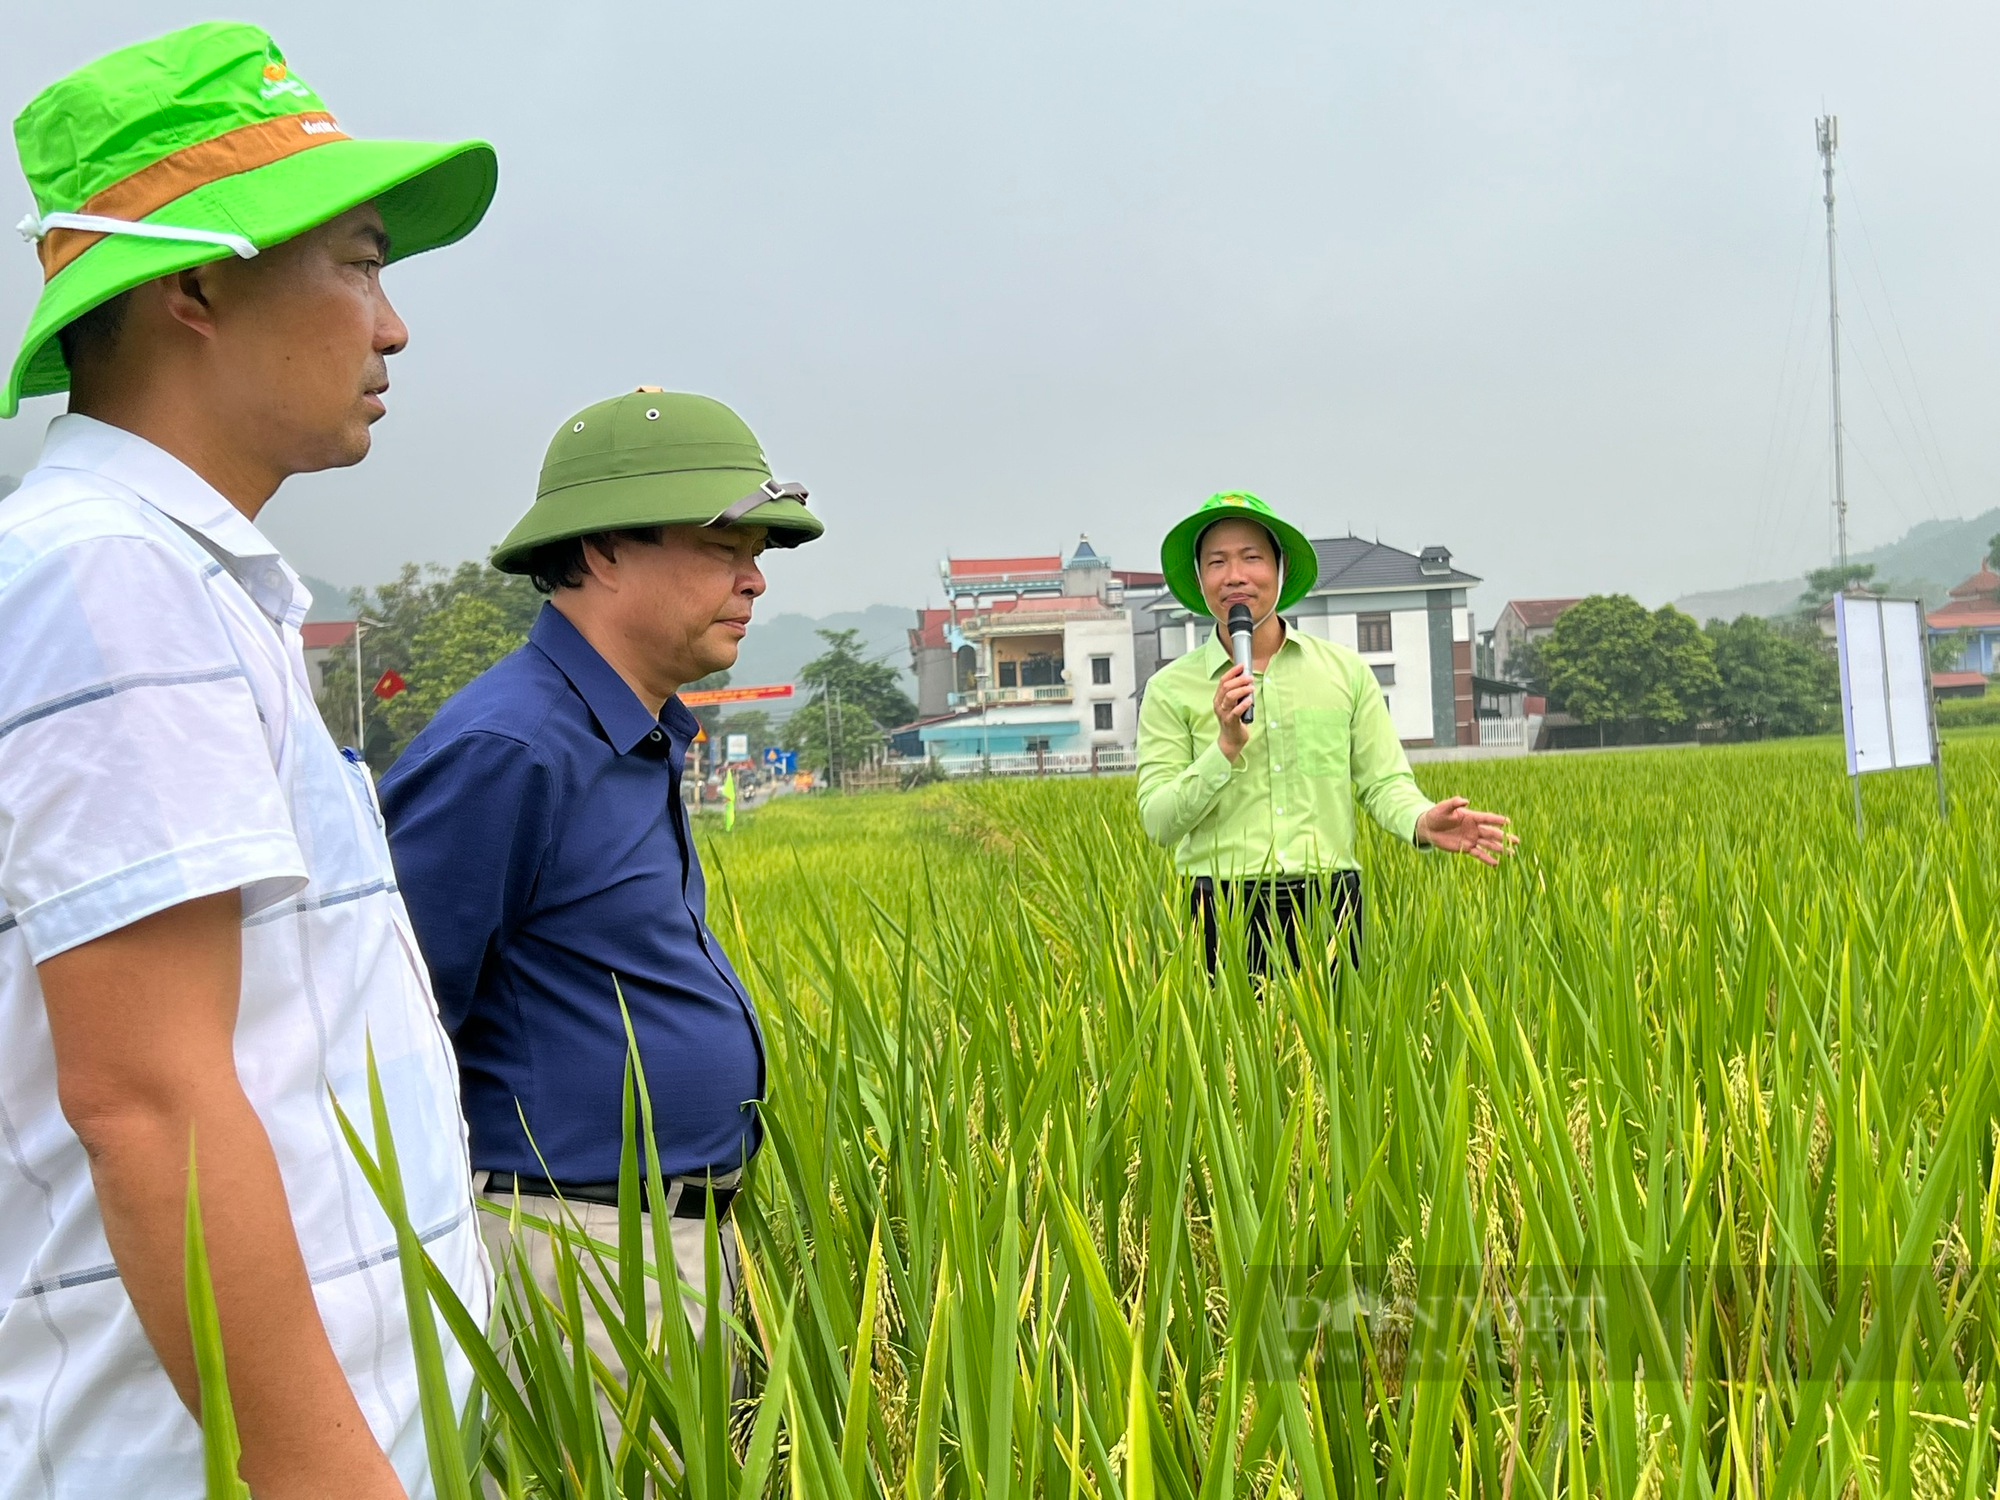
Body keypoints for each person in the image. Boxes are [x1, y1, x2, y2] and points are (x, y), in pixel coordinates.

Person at [0, 22, 497, 1499]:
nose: (392, 325)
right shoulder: (110, 583)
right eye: (356, 261)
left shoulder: (184, 581)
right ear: (195, 284)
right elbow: (145, 1096)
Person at [378, 390, 822, 1410]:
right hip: (575, 1252)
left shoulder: (633, 732)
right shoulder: (511, 749)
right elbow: (395, 1030)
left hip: (669, 1242)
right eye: (723, 545)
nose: (754, 577)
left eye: (759, 549)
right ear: (606, 551)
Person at [1136, 492, 1514, 977]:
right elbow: (1159, 822)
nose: (1235, 575)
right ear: (1200, 579)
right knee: (1230, 1053)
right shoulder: (1170, 690)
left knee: (1339, 1049)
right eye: (1217, 562)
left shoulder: (1344, 673)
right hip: (1220, 908)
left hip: (1329, 901)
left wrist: (1420, 821)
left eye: (1252, 557)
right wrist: (1224, 747)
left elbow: (1382, 782)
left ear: (1280, 567)